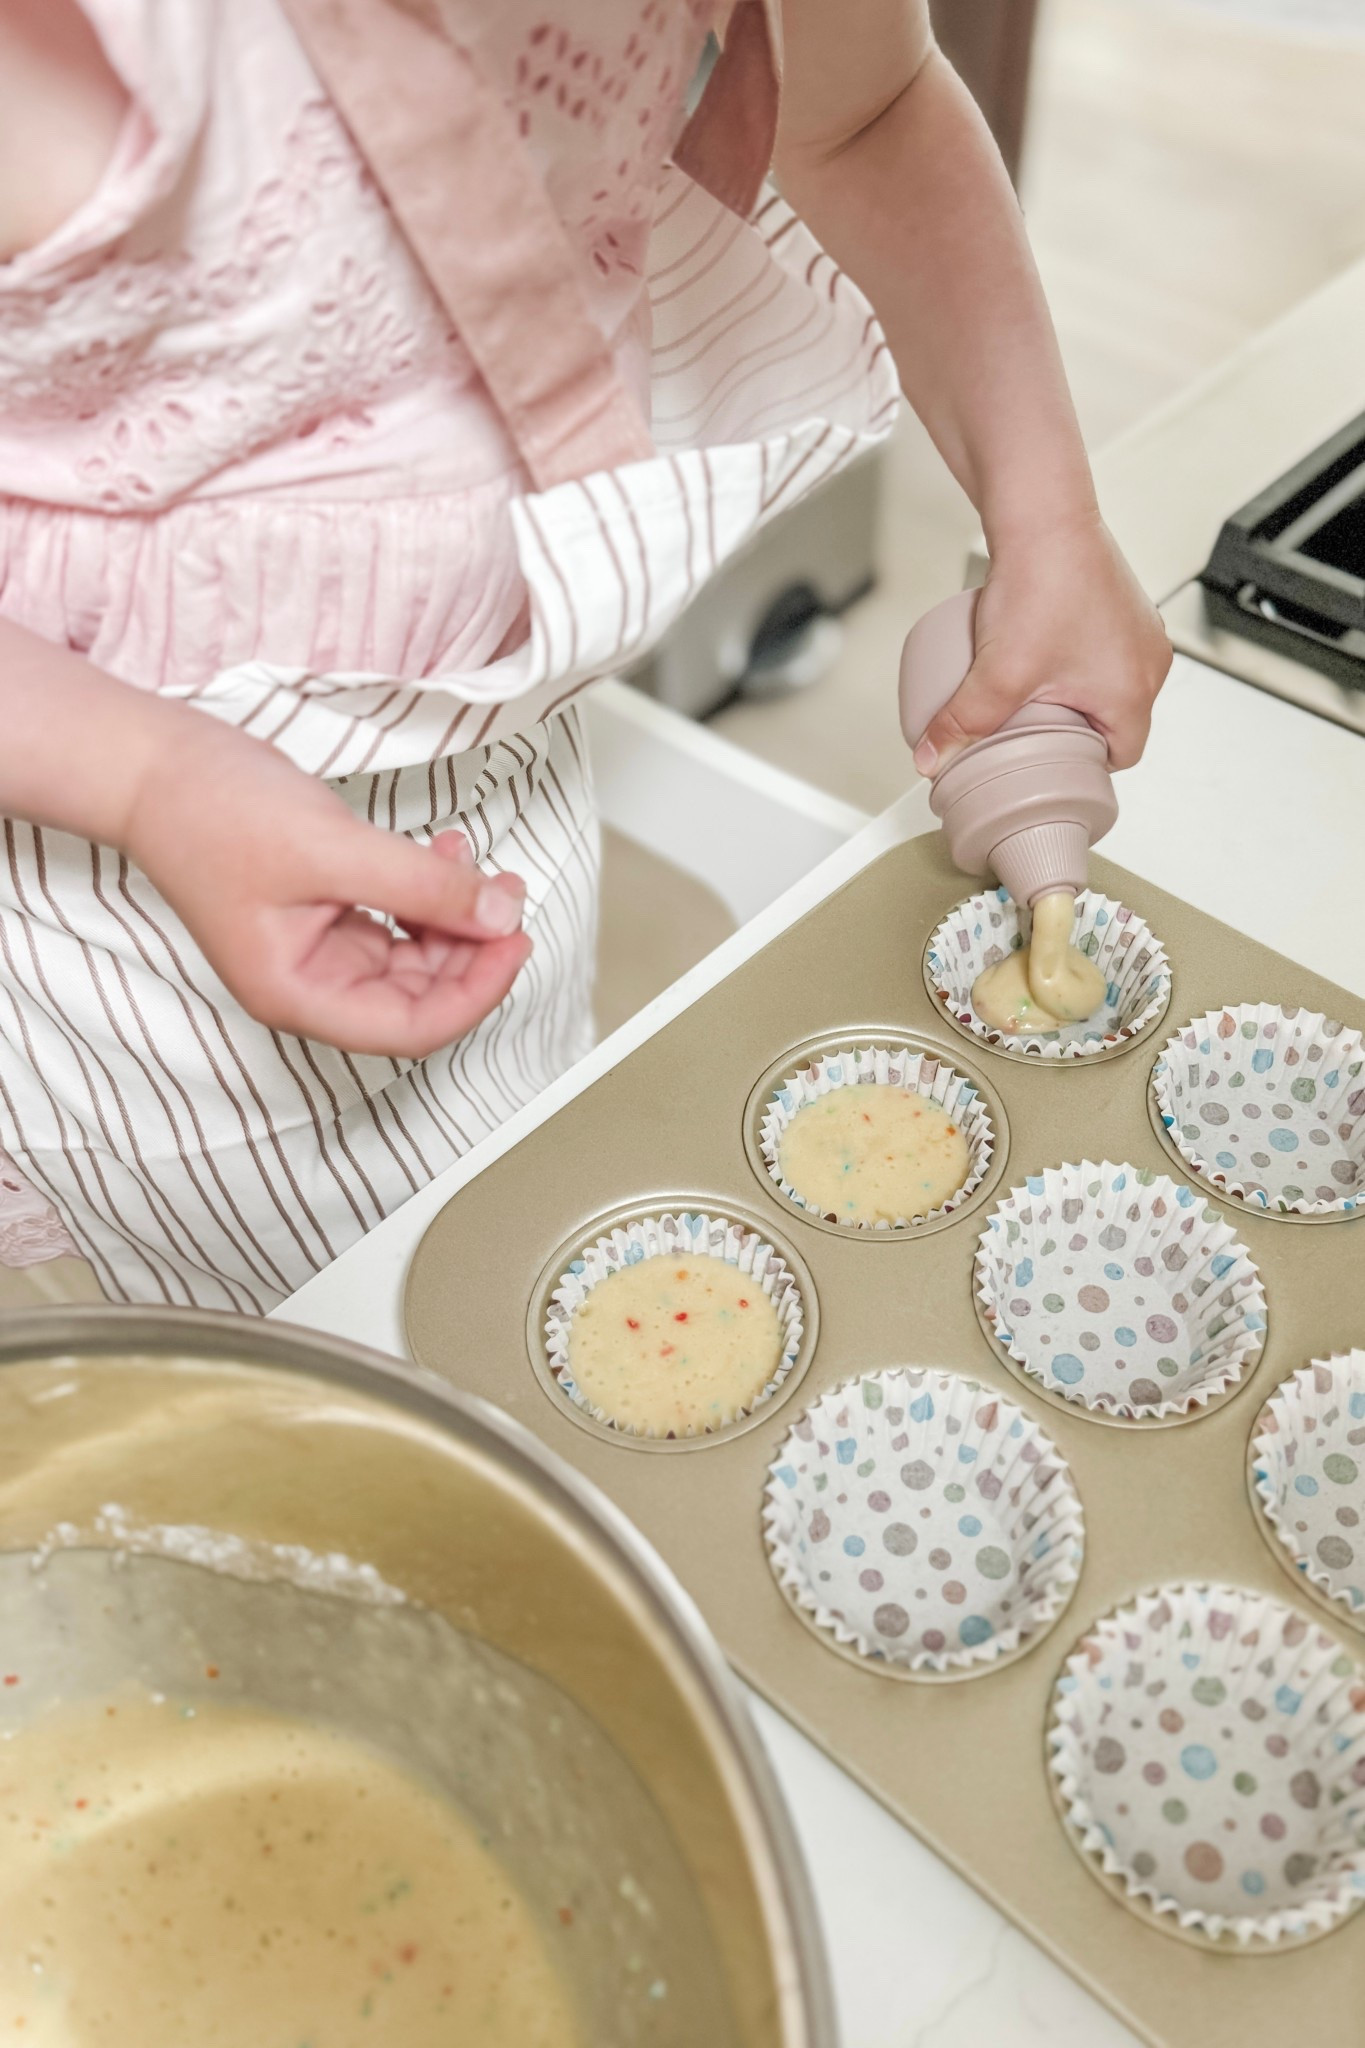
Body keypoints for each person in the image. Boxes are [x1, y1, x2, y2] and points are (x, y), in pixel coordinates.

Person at [0, 0, 1170, 1309]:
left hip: (502, 755)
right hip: (116, 891)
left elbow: (863, 114)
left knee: (523, 1191)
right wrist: (148, 782)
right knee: (377, 1329)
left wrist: (1047, 512)